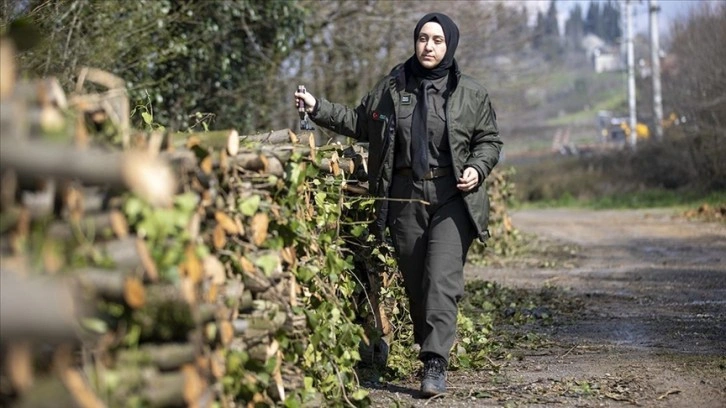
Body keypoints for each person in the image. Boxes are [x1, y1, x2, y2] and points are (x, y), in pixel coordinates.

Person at [294, 12, 502, 397]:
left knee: (441, 279)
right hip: (404, 197)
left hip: (453, 198)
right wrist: (316, 106)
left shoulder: (470, 93)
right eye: (423, 38)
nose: (429, 46)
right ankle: (432, 347)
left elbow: (489, 140)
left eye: (438, 40)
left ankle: (434, 362)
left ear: (450, 45)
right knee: (417, 284)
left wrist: (477, 167)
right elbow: (359, 122)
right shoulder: (391, 87)